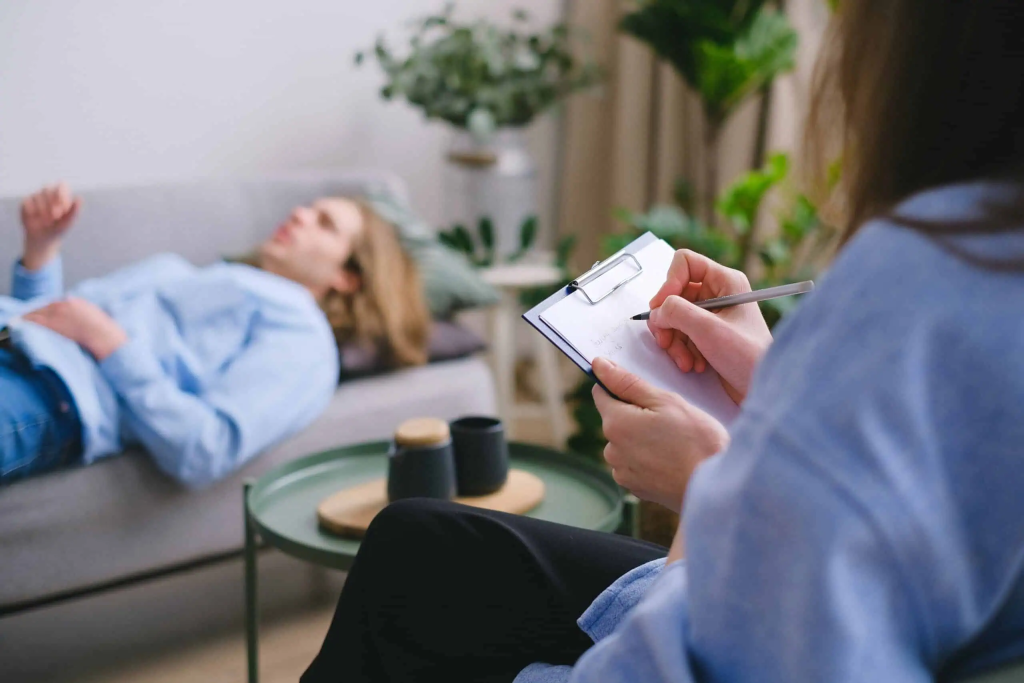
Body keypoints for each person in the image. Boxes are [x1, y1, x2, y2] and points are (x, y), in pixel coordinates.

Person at [302, 1, 1024, 682]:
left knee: (412, 581)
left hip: (704, 615)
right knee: (417, 539)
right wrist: (776, 385)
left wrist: (706, 486)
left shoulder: (922, 280)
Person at [0, 183, 429, 486]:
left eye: (325, 224)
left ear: (347, 278)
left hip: (47, 395)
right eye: (307, 208)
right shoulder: (215, 276)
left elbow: (206, 449)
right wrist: (42, 250)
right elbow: (45, 322)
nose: (299, 214)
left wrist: (110, 343)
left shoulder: (302, 337)